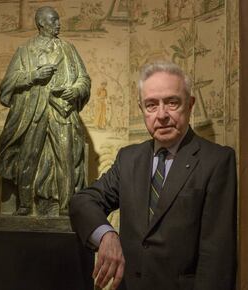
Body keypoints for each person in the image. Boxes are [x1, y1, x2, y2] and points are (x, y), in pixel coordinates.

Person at [69, 61, 237, 290]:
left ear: (190, 104)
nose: (162, 115)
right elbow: (83, 201)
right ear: (142, 109)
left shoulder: (216, 161)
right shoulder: (129, 159)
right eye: (151, 105)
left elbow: (217, 258)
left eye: (172, 102)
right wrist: (107, 235)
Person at [0, 6, 91, 216]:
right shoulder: (25, 51)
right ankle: (25, 204)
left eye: (58, 20)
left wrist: (75, 90)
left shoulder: (68, 49)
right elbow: (6, 85)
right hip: (33, 113)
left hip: (61, 113)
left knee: (65, 158)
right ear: (41, 24)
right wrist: (33, 76)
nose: (59, 24)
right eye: (54, 20)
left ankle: (66, 207)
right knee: (28, 157)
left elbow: (84, 79)